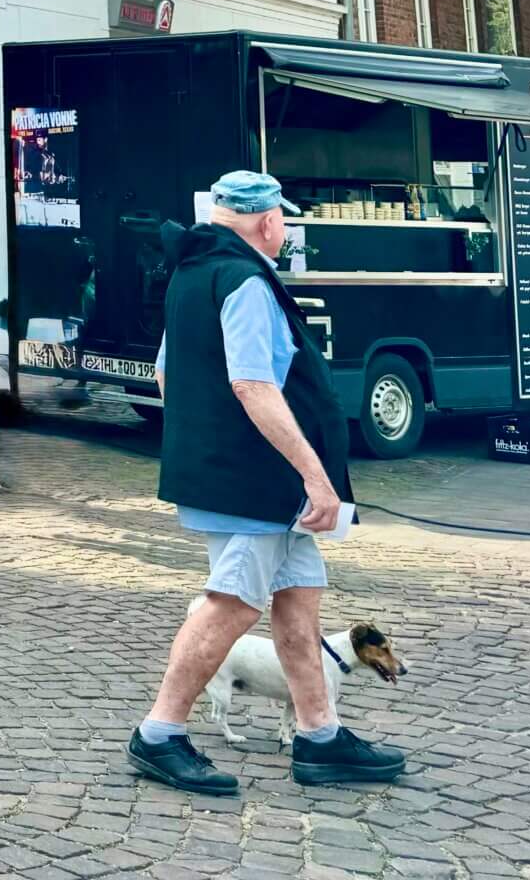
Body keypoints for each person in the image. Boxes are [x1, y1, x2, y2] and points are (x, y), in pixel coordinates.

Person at [129, 170, 405, 795]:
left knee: (299, 598)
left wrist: (203, 439)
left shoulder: (193, 272)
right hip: (258, 484)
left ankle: (320, 736)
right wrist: (314, 476)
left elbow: (167, 373)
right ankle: (158, 733)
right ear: (269, 220)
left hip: (240, 477)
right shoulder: (246, 279)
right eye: (283, 219)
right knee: (231, 604)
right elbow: (253, 384)